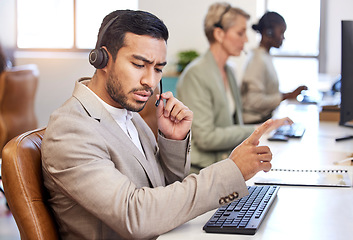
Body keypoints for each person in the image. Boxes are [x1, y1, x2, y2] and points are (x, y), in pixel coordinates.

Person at [42, 9, 277, 240]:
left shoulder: (128, 112)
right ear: (102, 59)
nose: (150, 81)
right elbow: (135, 216)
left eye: (158, 69)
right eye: (138, 65)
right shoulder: (70, 129)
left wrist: (172, 141)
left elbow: (166, 195)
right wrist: (231, 171)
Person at [241, 11, 307, 124]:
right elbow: (254, 101)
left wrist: (288, 95)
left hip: (265, 118)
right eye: (281, 32)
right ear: (269, 32)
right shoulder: (258, 60)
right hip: (255, 122)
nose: (283, 38)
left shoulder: (264, 56)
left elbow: (268, 93)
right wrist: (286, 96)